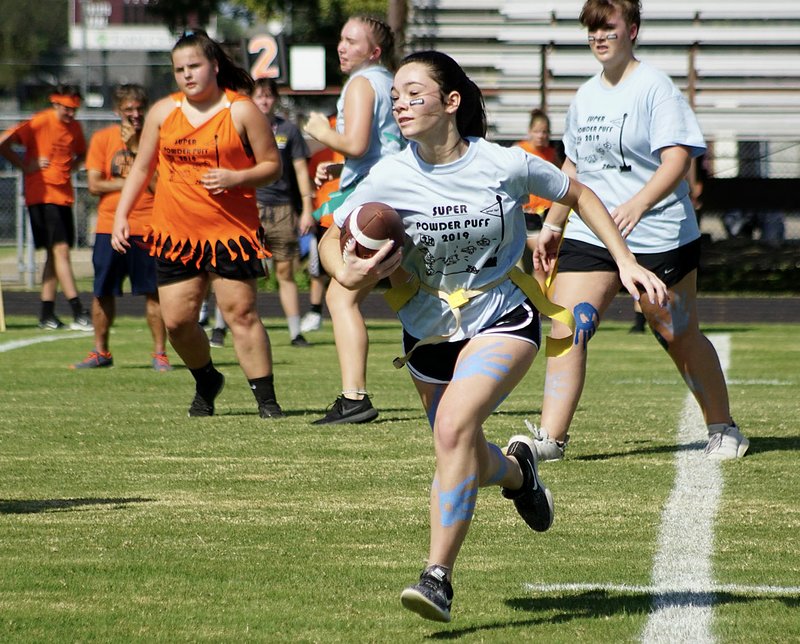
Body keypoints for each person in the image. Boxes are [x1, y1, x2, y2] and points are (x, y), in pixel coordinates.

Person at [319, 50, 668, 623]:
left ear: (451, 102)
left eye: (414, 93)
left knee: (454, 429)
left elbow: (576, 193)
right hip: (427, 335)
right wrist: (344, 269)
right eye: (397, 96)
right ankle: (516, 471)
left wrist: (624, 261)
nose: (401, 104)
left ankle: (437, 578)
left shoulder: (504, 163)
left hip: (503, 317)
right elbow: (335, 234)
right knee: (464, 453)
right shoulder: (388, 176)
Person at [532, 0, 749, 462]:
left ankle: (723, 427)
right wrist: (553, 222)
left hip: (659, 233)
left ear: (632, 29)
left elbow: (677, 158)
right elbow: (574, 165)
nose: (598, 36)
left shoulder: (656, 88)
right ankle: (551, 439)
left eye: (607, 27)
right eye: (592, 29)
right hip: (592, 231)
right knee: (567, 323)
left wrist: (637, 203)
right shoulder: (586, 94)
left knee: (676, 332)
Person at [110, 29, 284, 419]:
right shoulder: (163, 111)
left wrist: (236, 178)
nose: (187, 75)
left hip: (230, 234)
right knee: (176, 322)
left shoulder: (240, 109)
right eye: (179, 69)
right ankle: (207, 379)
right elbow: (142, 167)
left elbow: (273, 165)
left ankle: (266, 400)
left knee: (241, 313)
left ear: (215, 66)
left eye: (195, 66)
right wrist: (122, 214)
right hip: (175, 233)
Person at [303, 15, 404, 425]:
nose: (342, 47)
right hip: (399, 192)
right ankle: (449, 378)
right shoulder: (389, 80)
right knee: (414, 294)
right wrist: (339, 164)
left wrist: (320, 132)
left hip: (373, 199)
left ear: (374, 52)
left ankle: (354, 398)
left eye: (352, 41)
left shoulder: (362, 83)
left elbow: (359, 142)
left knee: (339, 295)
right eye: (341, 39)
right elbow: (378, 144)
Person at [70, 84, 171, 371]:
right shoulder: (103, 139)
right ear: (118, 111)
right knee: (103, 291)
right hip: (109, 226)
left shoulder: (157, 140)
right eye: (129, 110)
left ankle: (160, 353)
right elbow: (94, 184)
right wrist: (131, 182)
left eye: (140, 109)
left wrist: (137, 147)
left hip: (148, 227)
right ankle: (101, 351)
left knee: (153, 292)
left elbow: (158, 187)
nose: (135, 115)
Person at [0, 85, 92, 330]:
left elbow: (83, 153)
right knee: (61, 251)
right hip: (42, 195)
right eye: (66, 108)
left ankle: (46, 314)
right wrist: (25, 165)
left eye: (74, 109)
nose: (70, 114)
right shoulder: (40, 122)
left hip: (63, 196)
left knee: (54, 256)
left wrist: (71, 168)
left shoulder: (74, 128)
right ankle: (78, 311)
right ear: (55, 103)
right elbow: (4, 142)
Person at [251, 77, 316, 347]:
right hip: (250, 207)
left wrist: (306, 209)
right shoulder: (241, 127)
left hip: (282, 208)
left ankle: (295, 332)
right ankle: (221, 327)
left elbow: (301, 171)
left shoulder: (288, 129)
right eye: (259, 95)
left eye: (268, 95)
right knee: (243, 271)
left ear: (275, 98)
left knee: (284, 271)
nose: (264, 100)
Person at [513, 108, 561, 276]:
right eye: (537, 132)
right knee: (542, 255)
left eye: (545, 132)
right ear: (529, 132)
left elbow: (561, 178)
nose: (541, 136)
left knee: (544, 263)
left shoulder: (551, 153)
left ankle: (544, 298)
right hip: (529, 214)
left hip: (548, 213)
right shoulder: (520, 151)